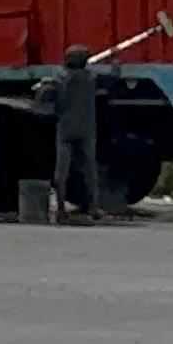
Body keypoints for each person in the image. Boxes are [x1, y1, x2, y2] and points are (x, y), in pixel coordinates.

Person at [45, 45, 106, 220]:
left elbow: (49, 99)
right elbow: (113, 76)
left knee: (61, 172)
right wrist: (115, 63)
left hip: (65, 129)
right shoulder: (91, 78)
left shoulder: (60, 78)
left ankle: (60, 209)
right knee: (90, 170)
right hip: (86, 130)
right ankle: (93, 207)